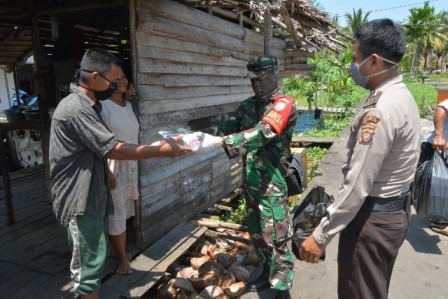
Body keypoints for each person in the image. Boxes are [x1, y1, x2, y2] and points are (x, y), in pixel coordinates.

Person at [49, 48, 192, 299]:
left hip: (92, 193)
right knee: (87, 270)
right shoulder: (75, 108)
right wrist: (159, 152)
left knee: (93, 260)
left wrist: (160, 146)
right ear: (94, 77)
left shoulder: (89, 105)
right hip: (79, 199)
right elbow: (112, 148)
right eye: (112, 81)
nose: (117, 85)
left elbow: (102, 148)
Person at [299, 19, 421, 299]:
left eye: (356, 59)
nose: (353, 67)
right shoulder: (401, 95)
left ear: (375, 61)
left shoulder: (380, 111)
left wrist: (321, 236)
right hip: (394, 212)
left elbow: (357, 185)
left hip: (371, 220)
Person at [202, 56, 297, 299]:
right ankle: (267, 274)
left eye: (261, 78)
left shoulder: (283, 104)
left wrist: (227, 142)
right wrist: (196, 136)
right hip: (252, 185)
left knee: (277, 237)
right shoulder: (248, 105)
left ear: (275, 74)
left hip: (272, 186)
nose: (256, 83)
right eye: (253, 79)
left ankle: (282, 288)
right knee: (257, 233)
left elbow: (262, 132)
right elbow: (229, 124)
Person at [100, 67, 138, 275]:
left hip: (130, 165)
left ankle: (116, 250)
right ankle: (123, 258)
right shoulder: (103, 107)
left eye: (125, 78)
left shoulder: (129, 106)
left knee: (125, 210)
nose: (122, 81)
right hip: (114, 165)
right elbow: (100, 142)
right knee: (117, 213)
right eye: (118, 78)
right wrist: (107, 171)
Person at [421, 98, 448, 235]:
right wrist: (439, 135)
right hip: (439, 146)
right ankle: (440, 222)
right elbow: (441, 109)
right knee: (439, 184)